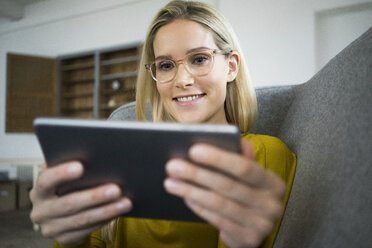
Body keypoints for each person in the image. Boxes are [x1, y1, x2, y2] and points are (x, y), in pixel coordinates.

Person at [30, 1, 296, 247]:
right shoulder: (120, 158)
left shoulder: (265, 155)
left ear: (231, 66)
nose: (182, 79)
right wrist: (68, 235)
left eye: (199, 59)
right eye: (166, 65)